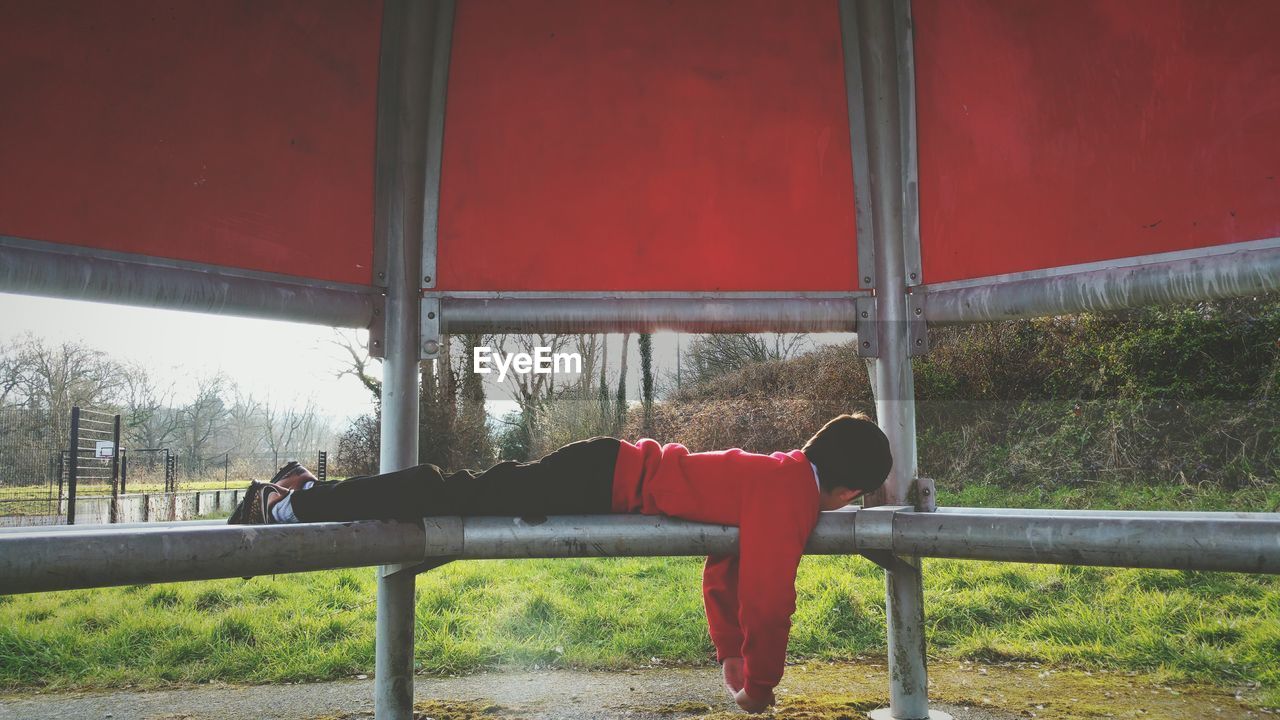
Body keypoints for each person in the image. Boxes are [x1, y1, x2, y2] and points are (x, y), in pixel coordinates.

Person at [229, 413, 892, 713]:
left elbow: (727, 565)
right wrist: (763, 683)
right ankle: (299, 499)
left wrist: (728, 655)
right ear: (849, 492)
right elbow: (770, 598)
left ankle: (305, 495)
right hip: (601, 477)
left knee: (459, 501)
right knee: (456, 494)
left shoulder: (778, 479)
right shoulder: (793, 496)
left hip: (604, 468)